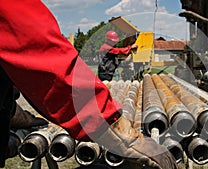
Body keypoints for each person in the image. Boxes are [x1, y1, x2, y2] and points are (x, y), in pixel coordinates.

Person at [0, 0, 177, 168]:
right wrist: (124, 136)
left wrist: (9, 105)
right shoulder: (106, 47)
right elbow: (41, 53)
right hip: (105, 73)